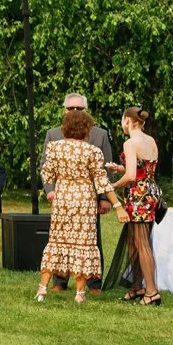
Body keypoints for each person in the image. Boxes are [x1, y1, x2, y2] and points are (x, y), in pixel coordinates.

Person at [37, 109, 113, 304]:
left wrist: (62, 181)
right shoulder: (92, 151)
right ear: (87, 129)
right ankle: (80, 293)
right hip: (84, 201)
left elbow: (46, 175)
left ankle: (42, 289)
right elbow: (101, 181)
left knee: (56, 241)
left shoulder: (54, 147)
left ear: (65, 128)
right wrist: (117, 203)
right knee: (83, 243)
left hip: (62, 200)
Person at [112, 108, 163, 305]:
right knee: (134, 241)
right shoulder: (150, 140)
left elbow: (132, 176)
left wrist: (114, 185)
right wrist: (120, 169)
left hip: (138, 196)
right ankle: (137, 286)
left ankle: (151, 291)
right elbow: (144, 169)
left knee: (141, 243)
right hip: (150, 193)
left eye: (121, 120)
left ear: (127, 120)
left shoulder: (130, 143)